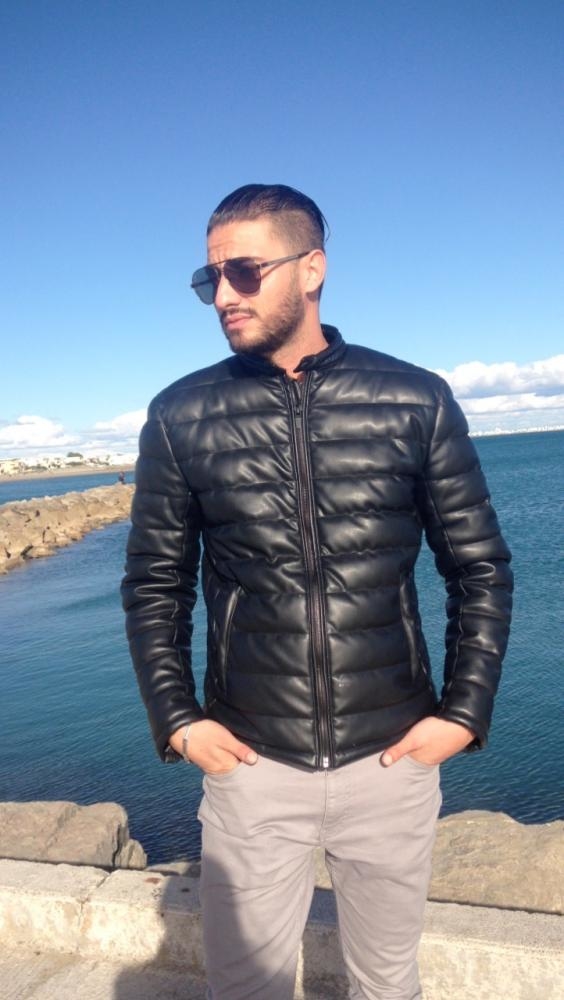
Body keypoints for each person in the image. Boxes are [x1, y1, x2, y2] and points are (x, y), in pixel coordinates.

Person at [121, 183, 513, 1000]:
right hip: (251, 763)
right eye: (208, 278)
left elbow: (478, 568)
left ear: (312, 269)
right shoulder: (181, 414)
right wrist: (178, 720)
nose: (222, 295)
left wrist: (463, 713)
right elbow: (155, 584)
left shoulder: (415, 398)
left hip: (393, 759)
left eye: (243, 271)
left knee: (386, 985)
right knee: (247, 988)